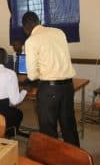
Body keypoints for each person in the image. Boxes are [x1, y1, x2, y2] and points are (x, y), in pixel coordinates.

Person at [22, 11, 79, 146]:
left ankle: (52, 158)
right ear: (38, 21)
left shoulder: (31, 41)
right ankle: (77, 158)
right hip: (68, 87)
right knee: (69, 126)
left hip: (49, 89)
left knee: (48, 129)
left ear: (25, 27)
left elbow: (31, 75)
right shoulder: (59, 32)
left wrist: (33, 79)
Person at [0, 48, 27, 137]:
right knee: (18, 113)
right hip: (3, 115)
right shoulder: (10, 74)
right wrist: (25, 91)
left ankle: (2, 131)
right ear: (6, 59)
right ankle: (9, 133)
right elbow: (15, 101)